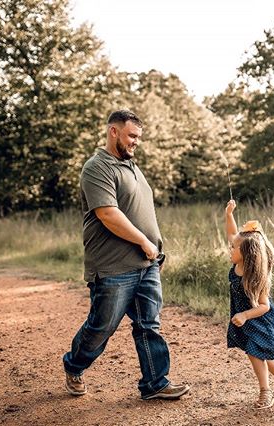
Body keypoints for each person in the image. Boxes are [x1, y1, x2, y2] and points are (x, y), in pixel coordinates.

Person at [62, 110, 190, 400]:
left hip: (147, 263)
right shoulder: (97, 167)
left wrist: (154, 248)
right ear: (113, 132)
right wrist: (145, 241)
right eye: (131, 136)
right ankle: (74, 365)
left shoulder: (132, 166)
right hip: (112, 267)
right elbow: (108, 214)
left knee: (149, 325)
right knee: (102, 326)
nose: (136, 142)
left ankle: (155, 384)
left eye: (138, 137)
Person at [224, 200, 274, 409]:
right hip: (246, 319)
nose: (230, 248)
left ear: (247, 253)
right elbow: (232, 235)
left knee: (256, 352)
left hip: (258, 319)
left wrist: (246, 315)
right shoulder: (238, 262)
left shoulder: (255, 275)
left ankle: (265, 391)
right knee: (258, 351)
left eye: (233, 247)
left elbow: (264, 306)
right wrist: (229, 215)